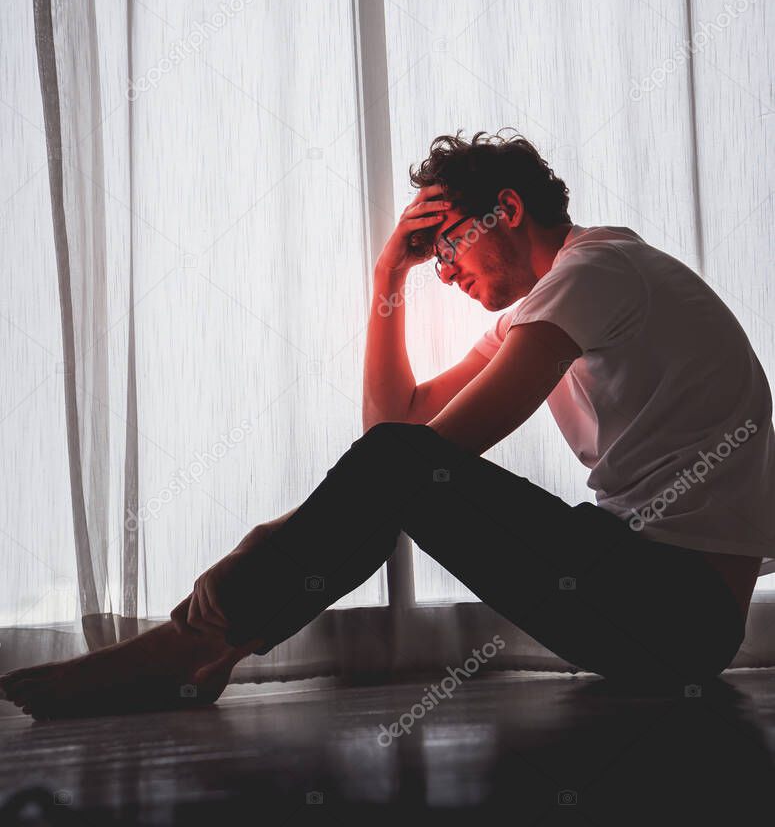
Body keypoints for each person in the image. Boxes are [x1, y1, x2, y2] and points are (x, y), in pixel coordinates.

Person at [2, 129, 773, 720]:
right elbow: (391, 432)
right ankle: (204, 637)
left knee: (403, 469)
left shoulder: (595, 274)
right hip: (651, 610)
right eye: (431, 264)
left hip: (675, 608)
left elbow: (419, 457)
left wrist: (272, 539)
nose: (445, 274)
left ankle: (198, 637)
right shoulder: (557, 301)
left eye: (445, 251)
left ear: (505, 211)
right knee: (398, 465)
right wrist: (387, 278)